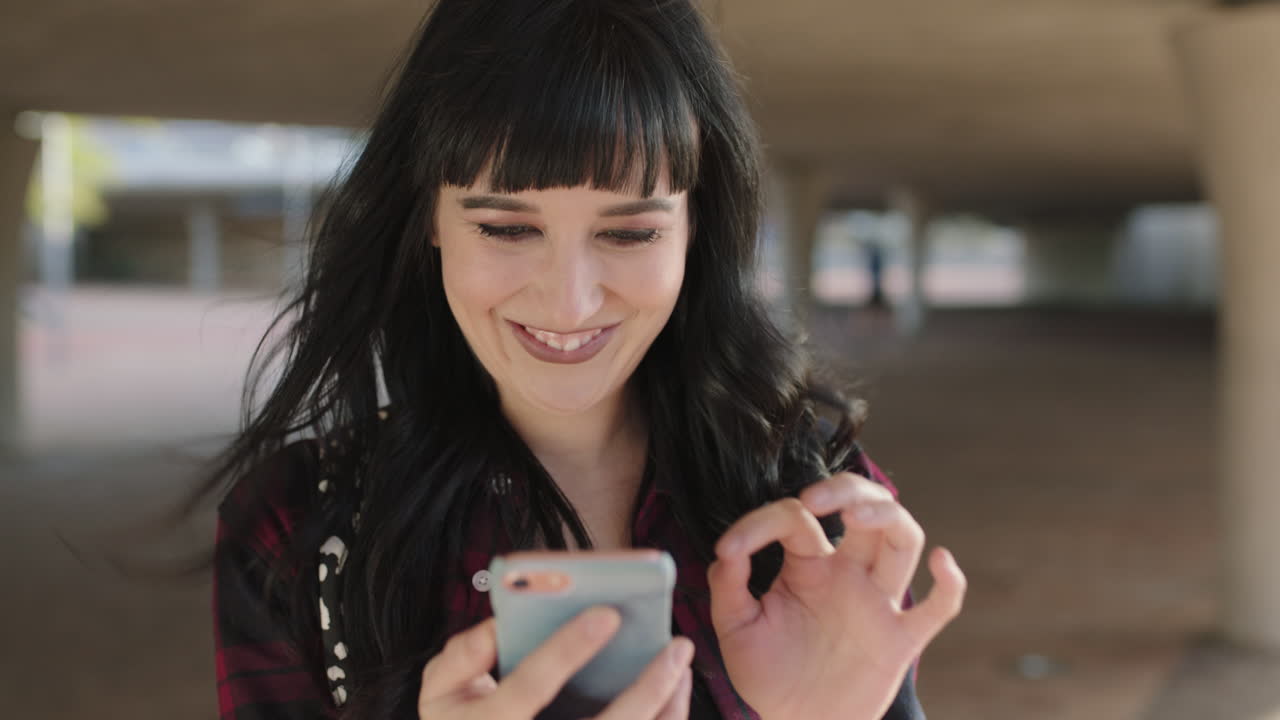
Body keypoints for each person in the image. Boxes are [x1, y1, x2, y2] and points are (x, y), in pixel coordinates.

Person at [204, 1, 966, 719]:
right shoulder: (298, 528)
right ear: (428, 217)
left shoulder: (815, 513)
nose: (569, 305)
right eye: (506, 228)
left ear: (695, 229)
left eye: (629, 233)